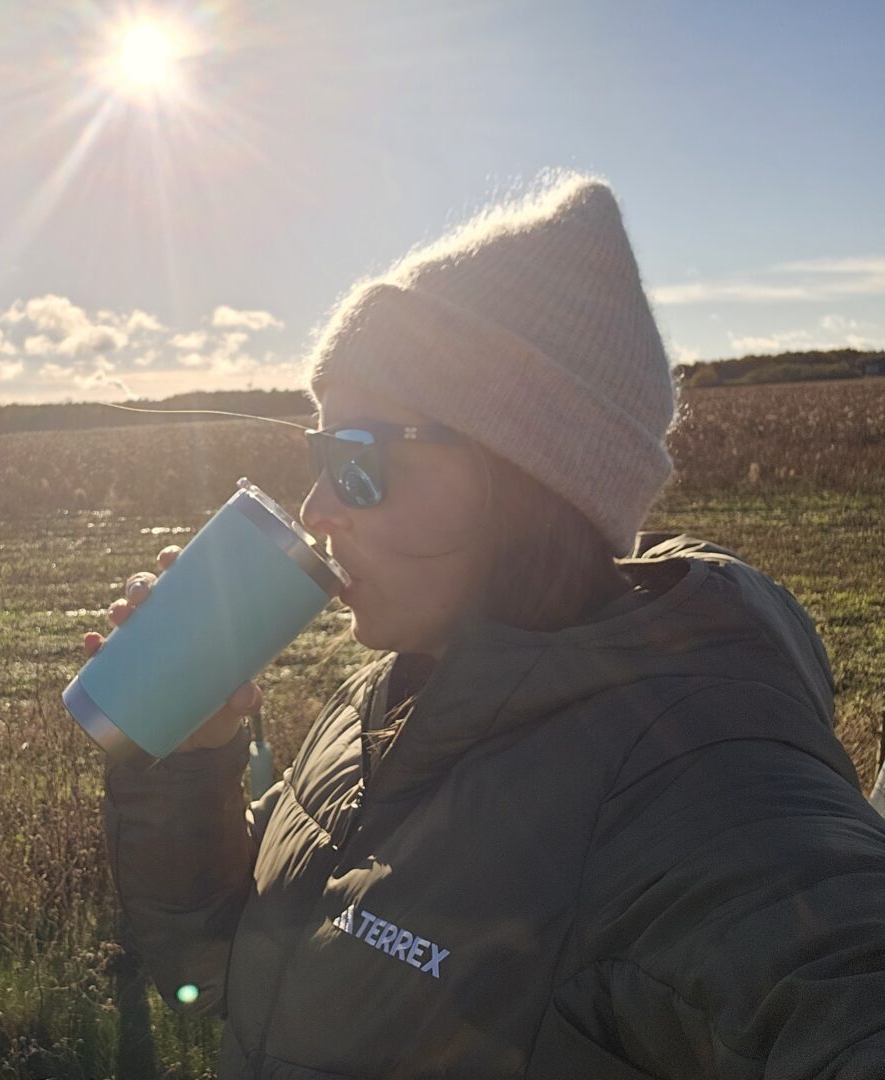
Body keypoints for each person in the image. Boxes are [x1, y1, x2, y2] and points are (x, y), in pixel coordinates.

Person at [86, 173, 885, 1078]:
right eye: (317, 456)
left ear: (522, 477)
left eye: (357, 461)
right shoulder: (381, 705)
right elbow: (227, 975)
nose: (315, 508)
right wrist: (190, 760)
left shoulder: (699, 785)